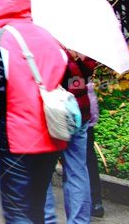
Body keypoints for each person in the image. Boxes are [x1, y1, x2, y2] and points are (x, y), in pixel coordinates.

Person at [0, 0, 68, 224]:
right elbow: (63, 73)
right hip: (51, 134)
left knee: (18, 213)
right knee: (39, 208)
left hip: (16, 138)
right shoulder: (48, 36)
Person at [45, 53, 100, 224]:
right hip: (78, 112)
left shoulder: (45, 41)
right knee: (77, 171)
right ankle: (79, 221)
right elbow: (84, 76)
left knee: (43, 171)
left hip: (52, 115)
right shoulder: (80, 44)